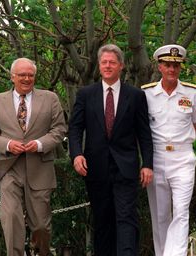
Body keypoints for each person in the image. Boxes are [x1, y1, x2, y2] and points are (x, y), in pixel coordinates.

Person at [68, 44, 153, 256]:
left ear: (121, 66)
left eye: (112, 62)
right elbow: (75, 128)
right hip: (95, 168)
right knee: (102, 219)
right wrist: (76, 154)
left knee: (126, 218)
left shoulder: (135, 95)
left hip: (126, 168)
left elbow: (144, 133)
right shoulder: (86, 94)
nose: (107, 66)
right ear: (99, 65)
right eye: (104, 62)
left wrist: (148, 165)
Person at [0, 57, 66, 256]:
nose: (27, 78)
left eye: (30, 75)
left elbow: (59, 129)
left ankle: (41, 253)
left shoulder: (50, 98)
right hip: (9, 169)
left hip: (40, 169)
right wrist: (8, 144)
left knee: (41, 227)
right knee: (11, 219)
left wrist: (39, 144)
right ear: (12, 77)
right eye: (22, 75)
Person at [141, 44, 196, 256]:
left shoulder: (191, 92)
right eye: (167, 65)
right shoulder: (147, 94)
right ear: (159, 67)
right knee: (161, 215)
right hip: (157, 158)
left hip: (183, 158)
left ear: (180, 68)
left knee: (181, 212)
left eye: (176, 65)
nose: (172, 69)